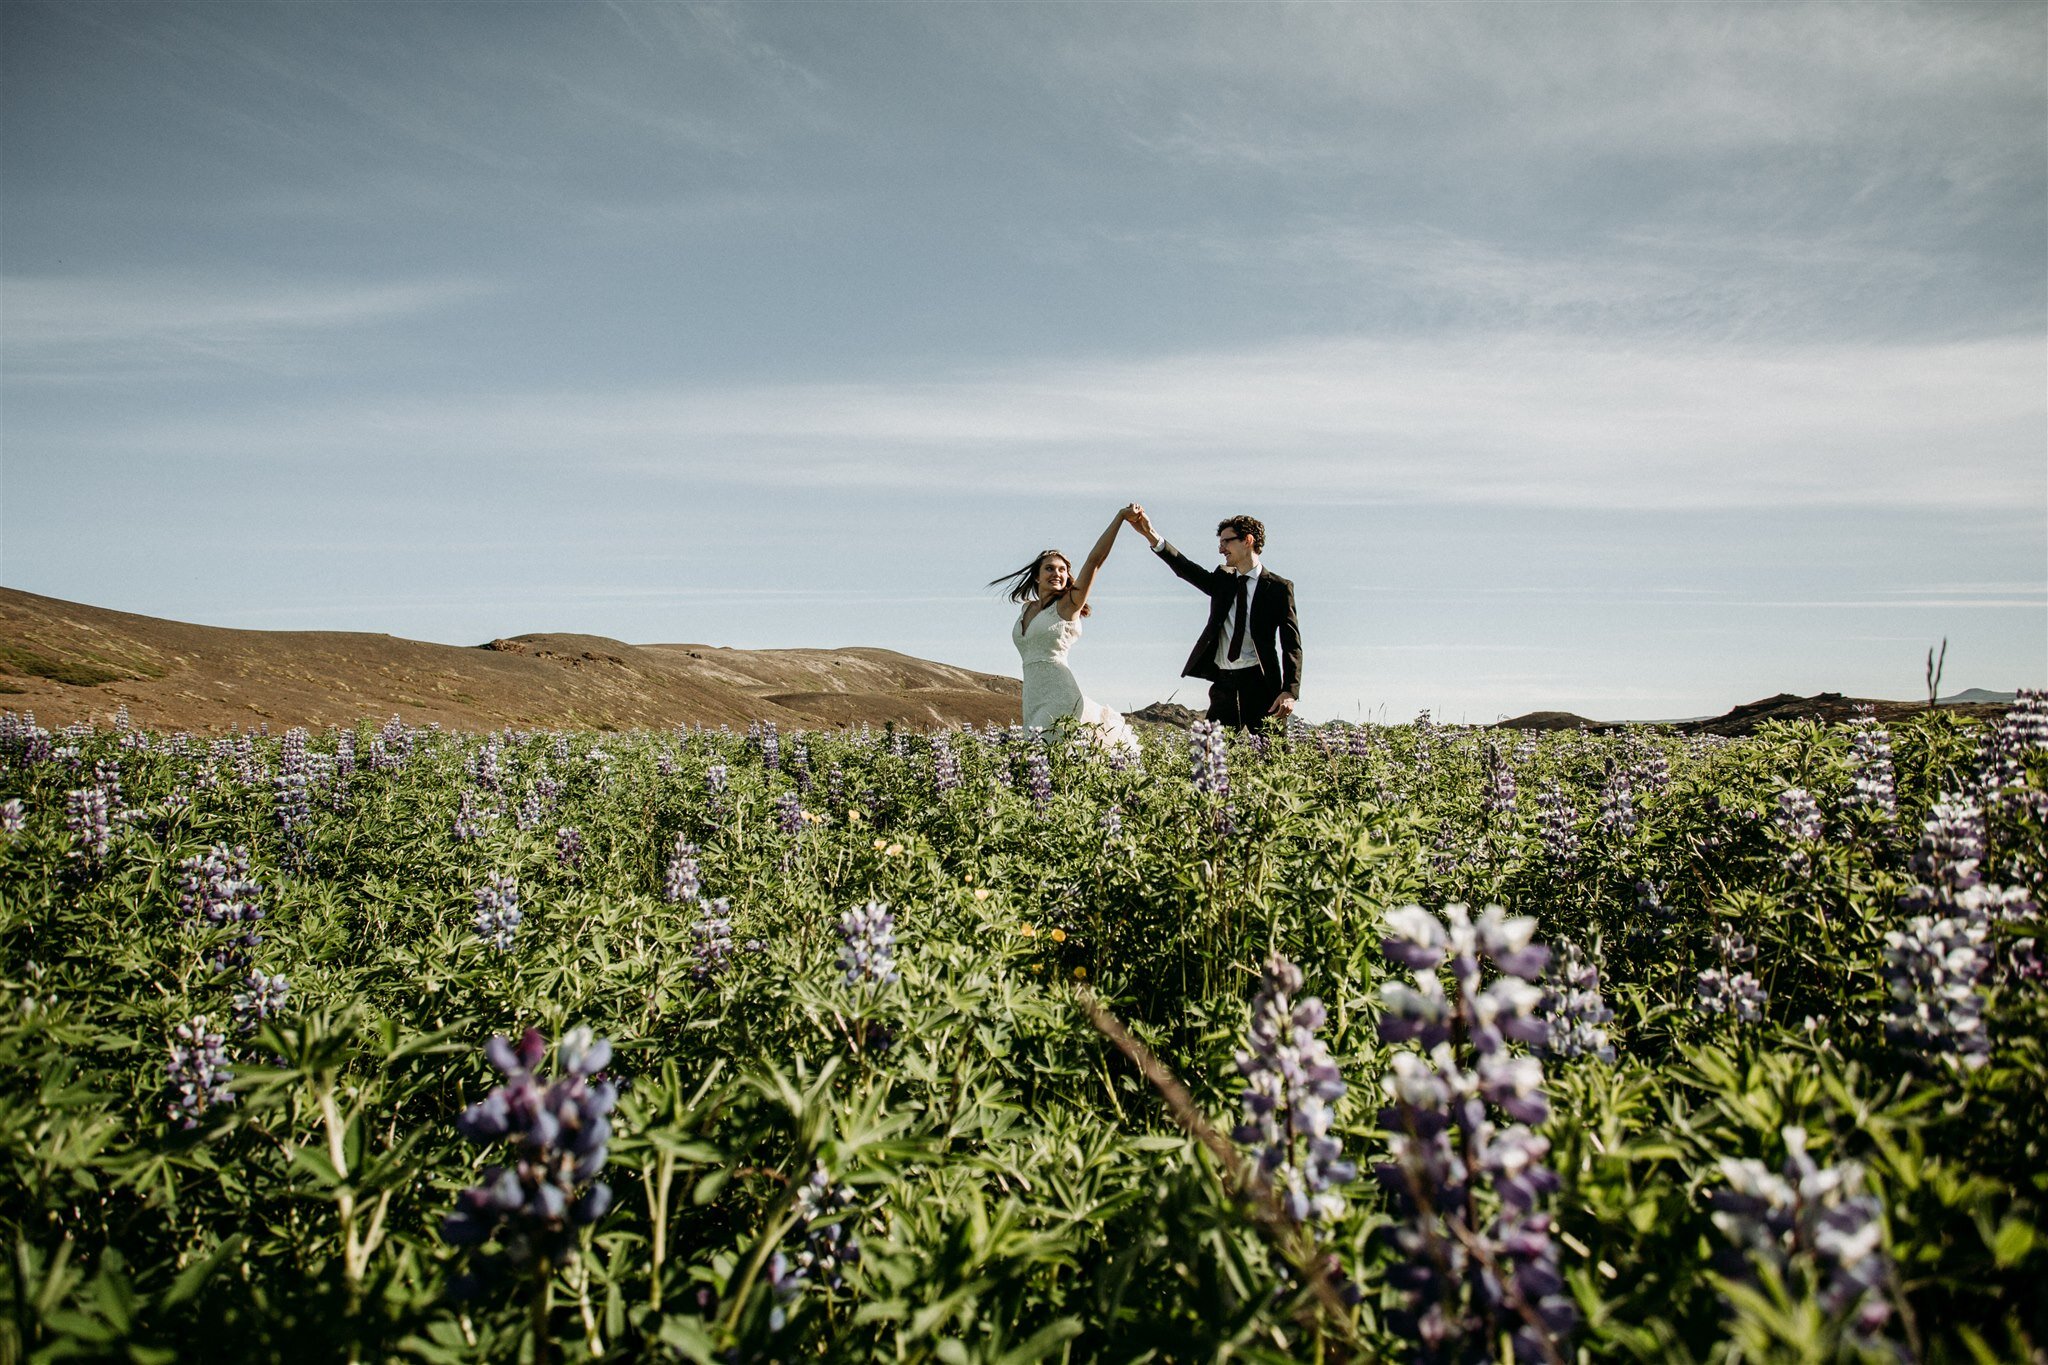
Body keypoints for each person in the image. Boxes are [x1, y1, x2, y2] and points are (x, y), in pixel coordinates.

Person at [1126, 507, 1301, 730]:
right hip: (1223, 684)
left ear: (1247, 540)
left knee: (1270, 757)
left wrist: (1290, 691)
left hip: (1261, 684)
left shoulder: (1278, 588)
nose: (1221, 549)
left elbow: (1292, 645)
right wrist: (1151, 534)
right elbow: (1185, 569)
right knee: (1209, 756)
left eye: (1226, 542)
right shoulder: (1222, 580)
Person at [990, 506, 1143, 754]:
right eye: (1050, 568)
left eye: (1062, 570)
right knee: (1036, 758)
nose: (1057, 574)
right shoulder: (1026, 609)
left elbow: (1095, 561)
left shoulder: (1068, 605)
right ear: (1037, 576)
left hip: (1060, 693)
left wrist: (1119, 518)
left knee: (1055, 757)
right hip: (1032, 695)